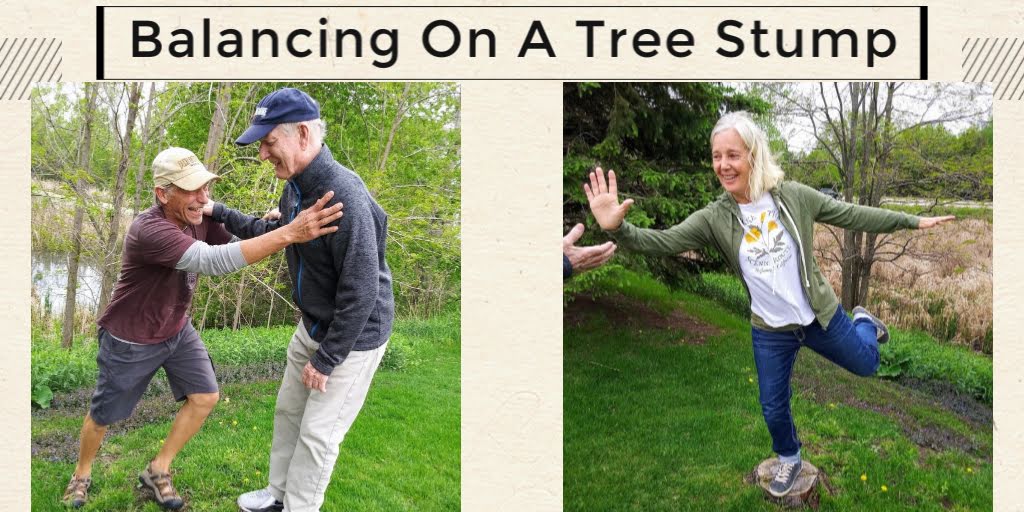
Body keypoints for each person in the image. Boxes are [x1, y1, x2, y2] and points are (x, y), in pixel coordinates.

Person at [584, 111, 955, 498]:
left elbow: (851, 214)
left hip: (817, 317)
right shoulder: (715, 218)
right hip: (770, 329)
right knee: (771, 405)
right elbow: (663, 242)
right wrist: (617, 228)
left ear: (753, 155)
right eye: (716, 157)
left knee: (868, 364)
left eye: (732, 155)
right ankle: (789, 457)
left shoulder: (793, 197)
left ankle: (862, 320)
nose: (723, 165)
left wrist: (909, 220)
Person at [62, 147, 342, 509]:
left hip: (176, 329)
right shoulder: (149, 230)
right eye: (192, 189)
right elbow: (213, 261)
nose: (203, 197)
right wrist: (289, 233)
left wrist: (276, 224)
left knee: (205, 396)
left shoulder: (198, 216)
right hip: (130, 337)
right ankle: (82, 473)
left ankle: (158, 469)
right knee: (104, 416)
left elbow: (238, 246)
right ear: (163, 194)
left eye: (205, 187)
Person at [204, 87, 394, 512]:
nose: (262, 155)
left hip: (352, 337)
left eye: (269, 143)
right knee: (289, 414)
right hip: (311, 324)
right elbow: (272, 235)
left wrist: (326, 359)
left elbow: (361, 290)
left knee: (317, 436)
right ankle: (277, 496)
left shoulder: (343, 195)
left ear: (302, 135)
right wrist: (217, 211)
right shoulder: (295, 188)